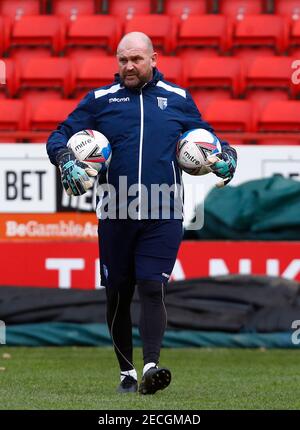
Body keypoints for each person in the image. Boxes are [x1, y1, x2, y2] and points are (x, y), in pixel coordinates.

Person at [47, 32, 237, 395]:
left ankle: (151, 366)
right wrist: (65, 157)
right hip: (115, 213)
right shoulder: (99, 100)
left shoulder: (179, 99)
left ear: (154, 58)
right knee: (118, 292)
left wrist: (225, 156)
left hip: (163, 212)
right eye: (122, 60)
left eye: (135, 59)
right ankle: (127, 373)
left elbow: (210, 138)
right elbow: (58, 135)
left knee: (153, 286)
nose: (128, 66)